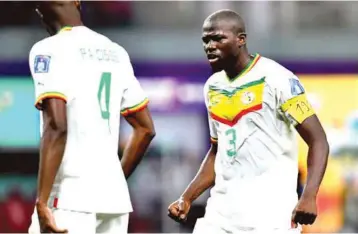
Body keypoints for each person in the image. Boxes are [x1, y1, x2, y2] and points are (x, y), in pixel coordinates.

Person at [168, 9, 329, 234]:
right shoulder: (213, 87)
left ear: (241, 39)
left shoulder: (278, 79)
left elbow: (318, 140)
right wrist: (187, 197)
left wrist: (309, 195)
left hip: (269, 215)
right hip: (220, 214)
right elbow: (218, 151)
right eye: (206, 40)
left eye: (218, 38)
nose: (210, 46)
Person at [27, 1, 156, 233]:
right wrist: (113, 179)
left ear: (39, 13)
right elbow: (145, 129)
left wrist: (42, 201)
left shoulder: (47, 49)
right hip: (113, 199)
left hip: (68, 198)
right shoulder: (116, 51)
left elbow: (57, 126)